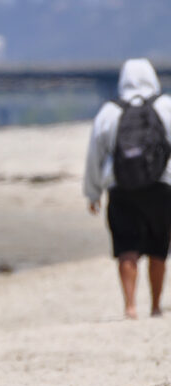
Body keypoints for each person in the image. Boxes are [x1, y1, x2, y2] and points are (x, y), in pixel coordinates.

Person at [84, 58, 171, 319]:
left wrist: (92, 192)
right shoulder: (166, 106)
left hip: (121, 187)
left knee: (126, 247)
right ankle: (155, 306)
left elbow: (94, 155)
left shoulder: (109, 111)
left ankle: (130, 306)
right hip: (162, 186)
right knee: (159, 247)